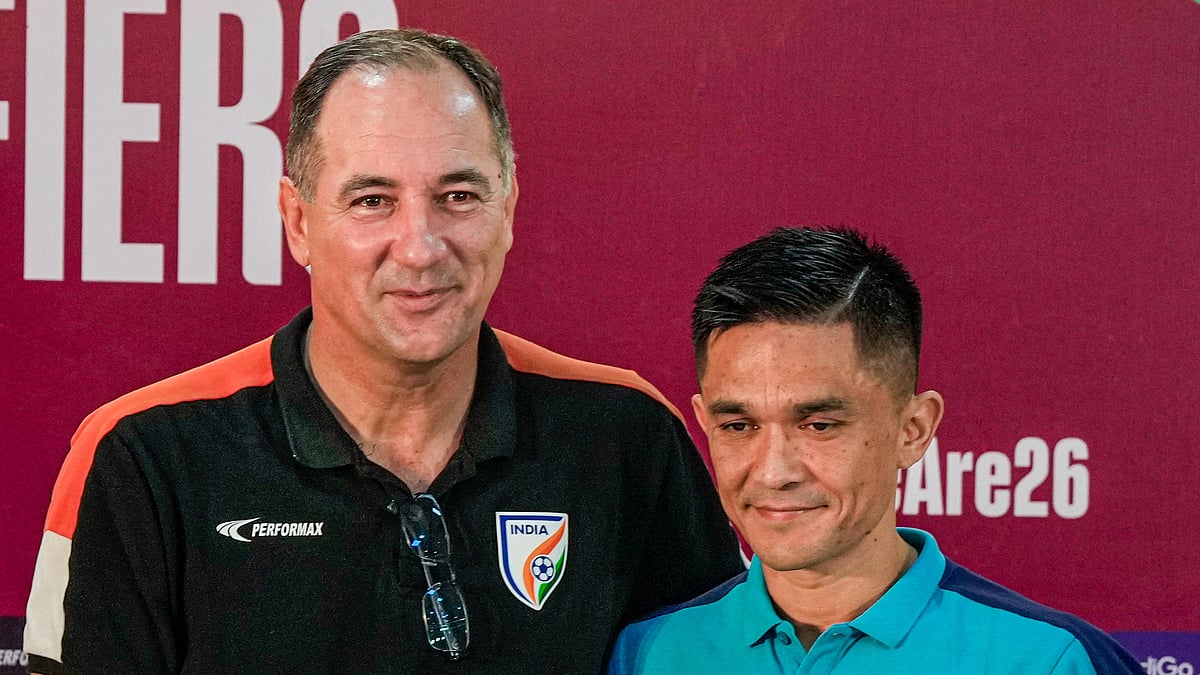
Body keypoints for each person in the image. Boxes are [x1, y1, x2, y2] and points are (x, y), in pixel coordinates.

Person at [24, 29, 742, 673]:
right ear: (299, 221)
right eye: (372, 200)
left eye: (458, 195)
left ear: (509, 209)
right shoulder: (142, 452)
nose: (421, 247)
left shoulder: (628, 435)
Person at [607, 227, 1142, 674]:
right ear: (704, 423)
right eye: (739, 425)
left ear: (913, 429)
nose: (773, 472)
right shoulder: (647, 654)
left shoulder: (1050, 661)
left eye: (818, 425)